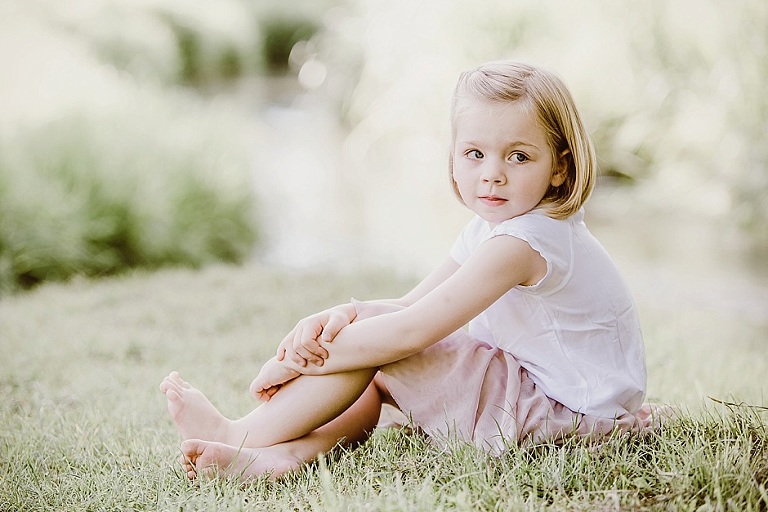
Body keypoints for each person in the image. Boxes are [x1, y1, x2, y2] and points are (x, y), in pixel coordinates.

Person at [160, 60, 663, 482]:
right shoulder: (495, 227)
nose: (492, 171)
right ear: (455, 156)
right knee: (375, 365)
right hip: (552, 398)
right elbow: (407, 305)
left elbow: (410, 331)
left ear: (559, 166)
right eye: (475, 153)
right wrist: (337, 316)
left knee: (386, 350)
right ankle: (285, 456)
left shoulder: (525, 242)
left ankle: (237, 433)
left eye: (518, 155)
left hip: (564, 418)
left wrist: (298, 362)